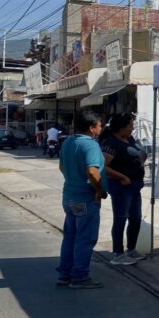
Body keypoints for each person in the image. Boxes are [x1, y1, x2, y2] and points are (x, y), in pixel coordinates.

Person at [56, 110, 106, 289]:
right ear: (92, 128)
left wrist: (73, 179)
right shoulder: (91, 145)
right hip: (85, 198)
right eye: (99, 125)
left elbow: (62, 167)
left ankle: (65, 274)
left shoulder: (68, 142)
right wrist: (99, 190)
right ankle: (80, 276)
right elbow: (92, 171)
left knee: (70, 237)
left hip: (69, 196)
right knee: (85, 238)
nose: (101, 128)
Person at [101, 113, 147, 266]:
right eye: (130, 126)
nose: (132, 129)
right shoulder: (111, 143)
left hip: (135, 186)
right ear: (121, 127)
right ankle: (118, 253)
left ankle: (131, 249)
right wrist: (122, 177)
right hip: (121, 187)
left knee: (135, 218)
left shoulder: (130, 139)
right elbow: (103, 166)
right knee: (120, 218)